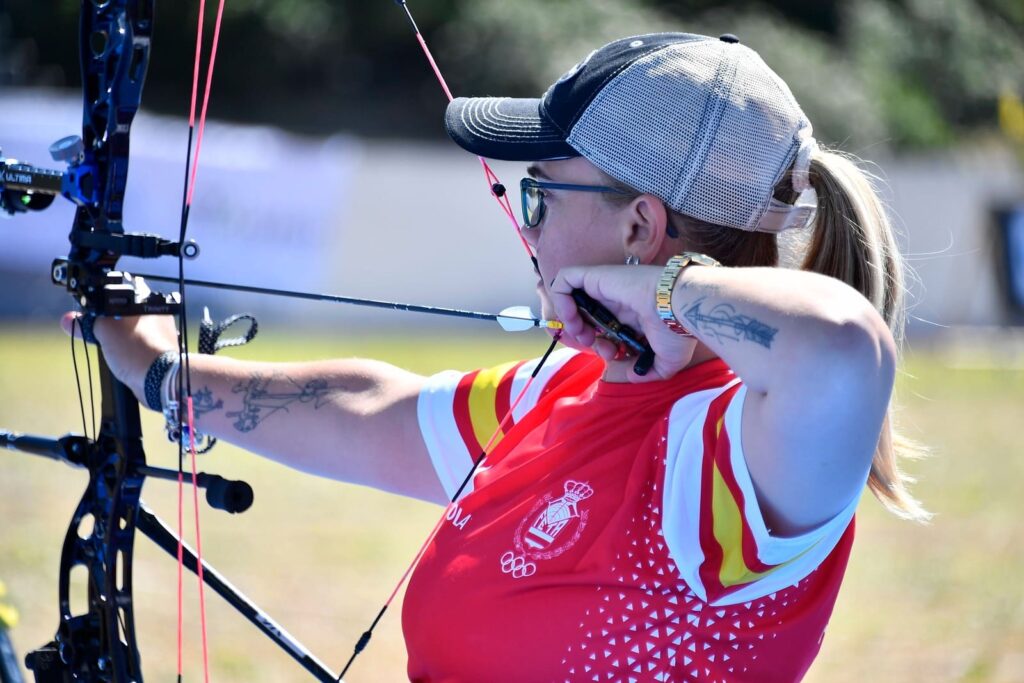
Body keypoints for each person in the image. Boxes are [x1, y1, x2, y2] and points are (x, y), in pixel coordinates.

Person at [69, 32, 929, 682]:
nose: (526, 223)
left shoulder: (736, 459)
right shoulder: (575, 381)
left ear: (639, 228)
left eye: (541, 194)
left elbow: (845, 347)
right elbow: (375, 411)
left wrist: (665, 291)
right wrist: (158, 369)